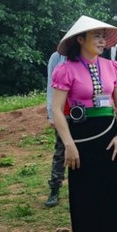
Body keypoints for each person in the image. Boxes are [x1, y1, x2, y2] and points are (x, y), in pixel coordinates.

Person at [51, 15, 117, 232]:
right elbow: (57, 110)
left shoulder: (112, 67)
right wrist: (69, 145)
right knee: (86, 191)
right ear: (80, 39)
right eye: (95, 36)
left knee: (111, 190)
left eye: (102, 36)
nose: (101, 40)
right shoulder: (66, 69)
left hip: (110, 136)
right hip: (81, 137)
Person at [45, 49, 67, 207]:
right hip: (62, 112)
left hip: (83, 112)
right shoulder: (57, 57)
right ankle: (54, 189)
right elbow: (51, 86)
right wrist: (51, 113)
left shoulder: (85, 56)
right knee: (61, 151)